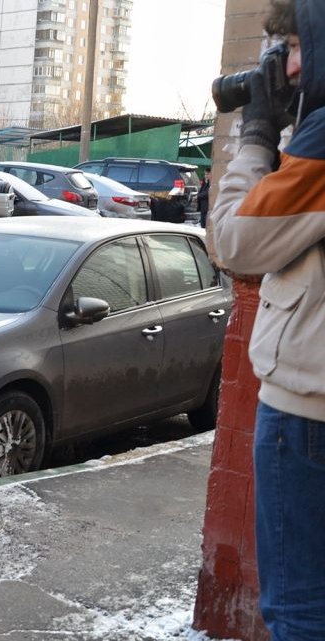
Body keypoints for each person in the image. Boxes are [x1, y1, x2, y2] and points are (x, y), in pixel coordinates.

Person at [209, 1, 325, 638]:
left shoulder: (322, 144)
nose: (290, 69)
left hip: (309, 412)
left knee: (302, 607)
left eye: (297, 47)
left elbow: (235, 243)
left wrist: (255, 134)